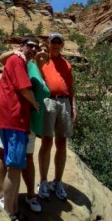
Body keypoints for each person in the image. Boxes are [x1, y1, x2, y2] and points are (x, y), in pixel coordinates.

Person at [0, 42, 50, 213]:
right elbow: (25, 89)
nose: (36, 50)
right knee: (14, 165)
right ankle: (10, 208)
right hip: (15, 119)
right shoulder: (18, 61)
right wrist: (35, 103)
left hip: (10, 119)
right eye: (31, 46)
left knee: (18, 161)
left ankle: (13, 200)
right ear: (21, 46)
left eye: (38, 48)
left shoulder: (27, 64)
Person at [37, 32, 77, 201]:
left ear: (62, 45)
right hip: (48, 102)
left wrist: (74, 105)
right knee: (46, 141)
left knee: (62, 142)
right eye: (53, 41)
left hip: (64, 103)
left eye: (59, 42)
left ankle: (57, 182)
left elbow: (70, 86)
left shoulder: (66, 64)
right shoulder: (42, 60)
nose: (56, 45)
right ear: (48, 43)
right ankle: (43, 181)